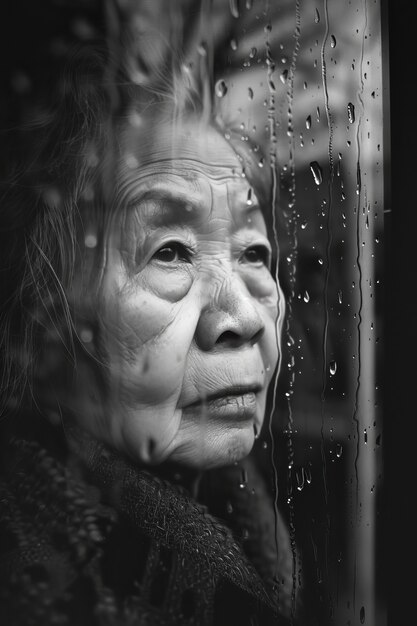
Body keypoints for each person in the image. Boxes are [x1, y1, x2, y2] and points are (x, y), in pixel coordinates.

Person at [0, 10, 300, 626]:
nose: (242, 315)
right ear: (51, 313)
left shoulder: (242, 526)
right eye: (170, 252)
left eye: (253, 253)